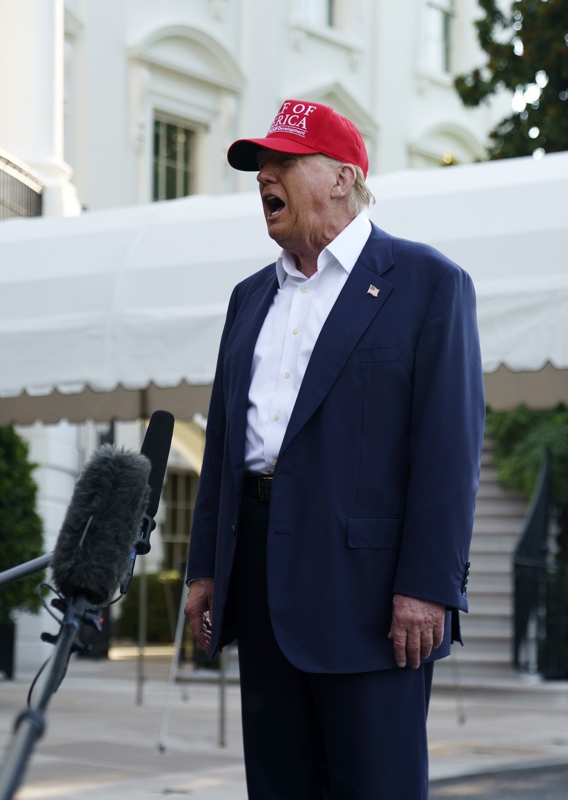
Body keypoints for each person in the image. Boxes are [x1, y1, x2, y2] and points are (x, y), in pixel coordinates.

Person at [183, 99, 485, 799]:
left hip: (374, 600)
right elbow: (226, 441)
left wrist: (429, 586)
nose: (265, 177)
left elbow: (449, 451)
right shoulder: (248, 297)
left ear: (343, 178)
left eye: (283, 162)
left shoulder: (429, 284)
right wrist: (206, 567)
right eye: (260, 166)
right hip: (261, 582)